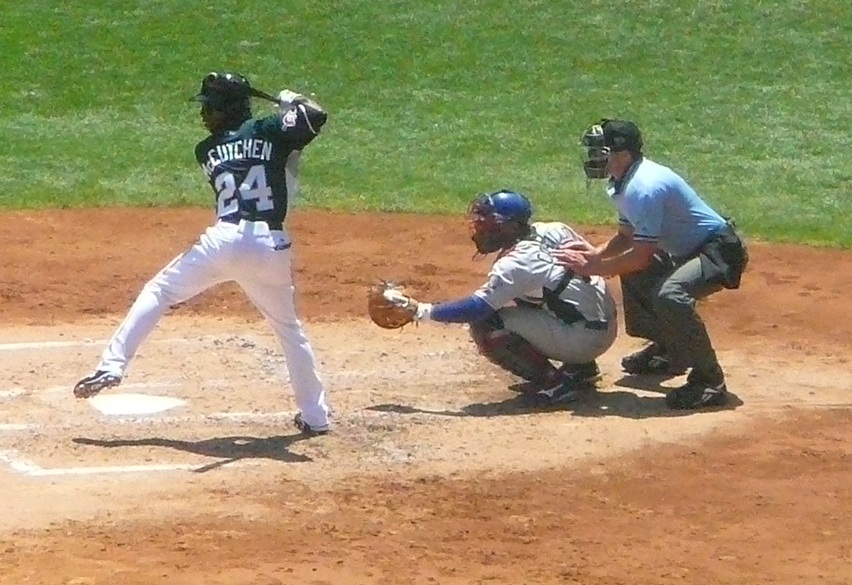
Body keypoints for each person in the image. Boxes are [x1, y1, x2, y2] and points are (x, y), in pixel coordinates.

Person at [73, 72, 332, 435]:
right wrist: (290, 103)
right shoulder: (270, 131)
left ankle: (112, 366)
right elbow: (314, 117)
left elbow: (271, 143)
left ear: (228, 109)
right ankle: (316, 417)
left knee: (160, 291)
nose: (203, 115)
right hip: (271, 248)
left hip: (222, 242)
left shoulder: (207, 150)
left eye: (209, 107)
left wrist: (285, 116)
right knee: (290, 331)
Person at [555, 119, 749, 410]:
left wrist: (594, 268)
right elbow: (627, 236)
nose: (594, 157)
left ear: (623, 154)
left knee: (671, 295)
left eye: (600, 151)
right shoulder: (623, 182)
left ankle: (710, 381)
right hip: (684, 252)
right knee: (636, 273)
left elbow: (640, 254)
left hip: (718, 252)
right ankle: (669, 352)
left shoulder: (644, 186)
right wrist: (595, 255)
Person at [390, 189, 618, 404]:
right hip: (600, 323)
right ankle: (581, 367)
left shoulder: (517, 264)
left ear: (509, 226)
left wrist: (421, 311)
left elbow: (477, 308)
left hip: (584, 339)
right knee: (538, 293)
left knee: (487, 324)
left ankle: (556, 384)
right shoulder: (554, 229)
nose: (479, 227)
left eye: (488, 222)